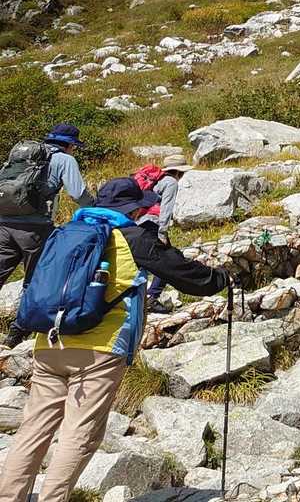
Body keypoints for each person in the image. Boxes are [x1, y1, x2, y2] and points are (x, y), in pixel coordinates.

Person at [0, 177, 229, 502]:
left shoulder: (64, 233)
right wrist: (222, 279)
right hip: (99, 351)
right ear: (133, 209)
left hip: (48, 344)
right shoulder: (134, 238)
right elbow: (189, 277)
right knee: (80, 435)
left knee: (33, 430)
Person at [0, 124, 95, 348]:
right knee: (35, 280)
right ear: (70, 145)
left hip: (4, 223)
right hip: (35, 228)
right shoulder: (65, 159)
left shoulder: (23, 155)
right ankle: (18, 331)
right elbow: (77, 193)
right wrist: (96, 207)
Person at [132, 156, 189, 313]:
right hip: (153, 224)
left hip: (138, 223)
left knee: (140, 261)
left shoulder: (154, 180)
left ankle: (136, 299)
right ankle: (151, 298)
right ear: (179, 172)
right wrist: (162, 233)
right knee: (168, 261)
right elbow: (166, 209)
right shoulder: (171, 182)